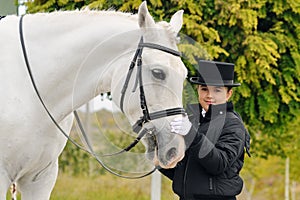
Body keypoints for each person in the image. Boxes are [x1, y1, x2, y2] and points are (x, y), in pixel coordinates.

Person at [159, 60, 251, 200]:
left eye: (217, 90)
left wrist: (192, 134)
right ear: (198, 90)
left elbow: (219, 164)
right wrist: (159, 157)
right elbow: (181, 171)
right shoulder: (191, 120)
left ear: (228, 94)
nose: (209, 95)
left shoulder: (233, 125)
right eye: (204, 89)